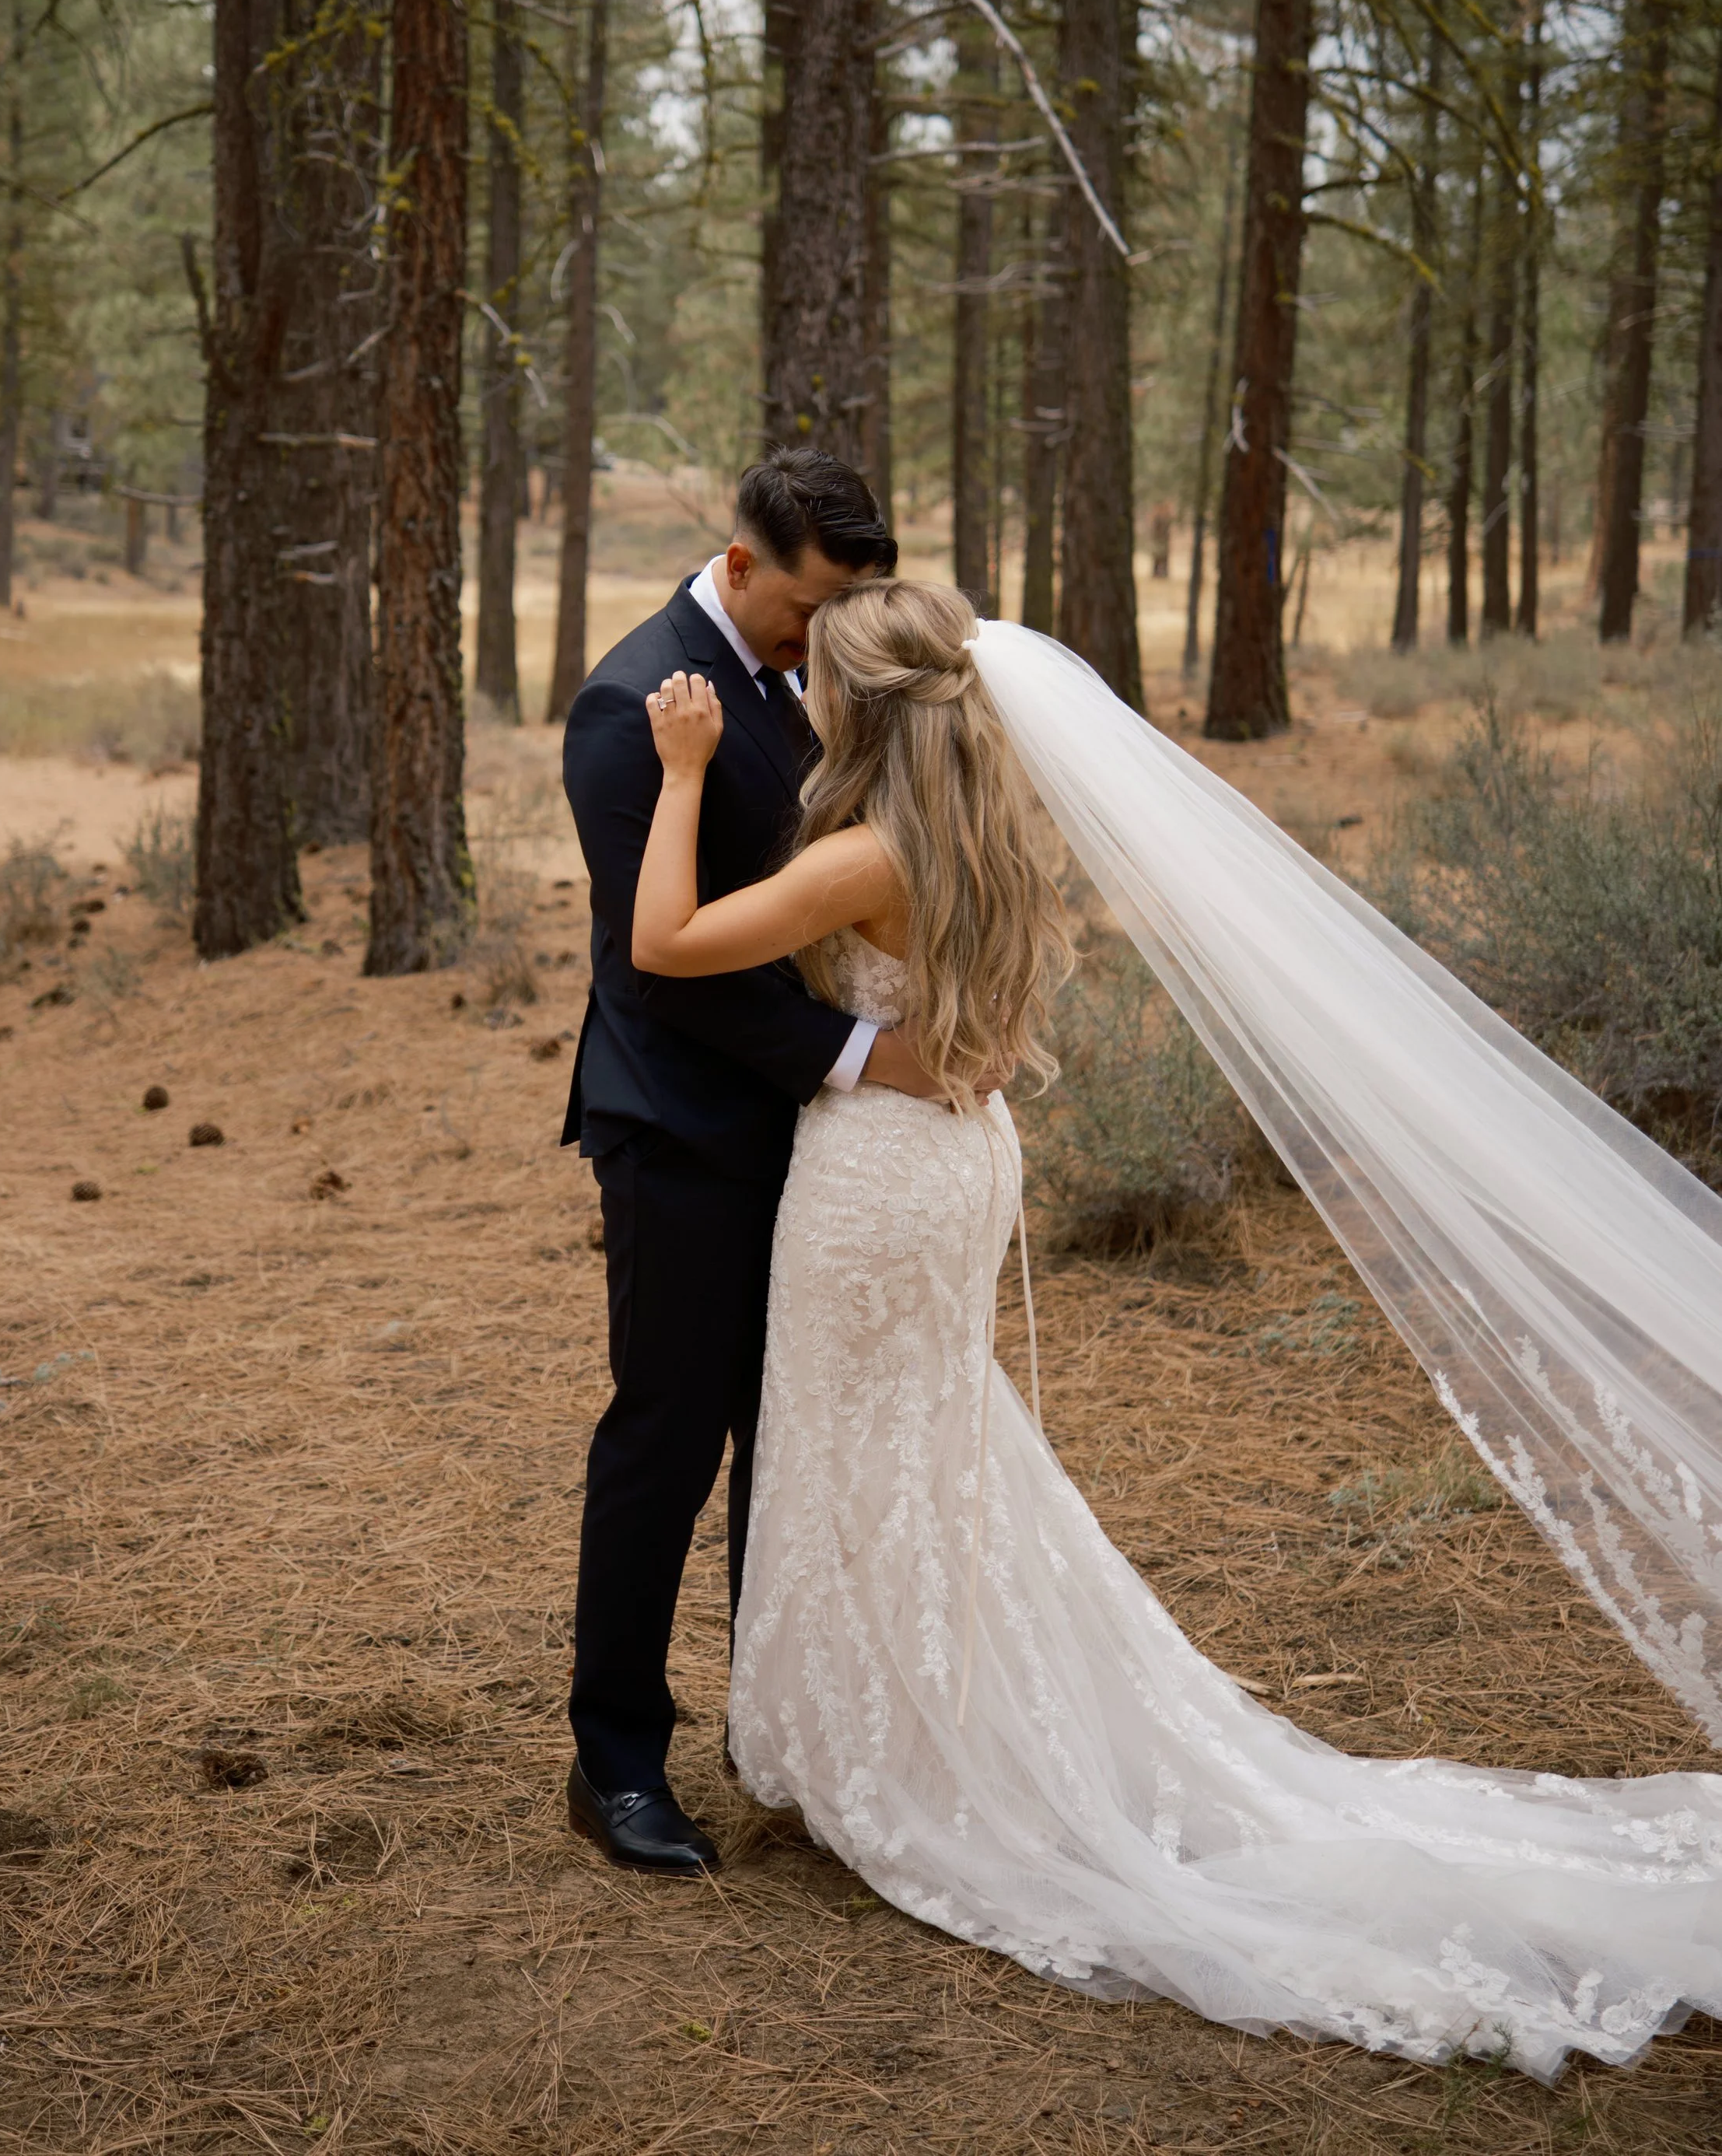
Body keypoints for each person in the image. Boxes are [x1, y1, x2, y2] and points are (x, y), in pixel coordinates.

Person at [628, 577, 1722, 2077]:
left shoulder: (864, 853)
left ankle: (911, 1751)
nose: (800, 699)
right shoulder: (984, 831)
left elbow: (665, 941)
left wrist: (683, 771)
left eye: (818, 680)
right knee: (926, 1440)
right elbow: (980, 1026)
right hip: (958, 1158)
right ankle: (911, 1720)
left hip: (879, 1182)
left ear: (858, 708)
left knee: (865, 1441)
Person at [560, 450, 971, 1877]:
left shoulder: (830, 672)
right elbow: (658, 970)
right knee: (668, 1439)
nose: (824, 641)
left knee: (791, 1441)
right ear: (740, 567)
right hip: (683, 1132)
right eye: (807, 609)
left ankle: (779, 1731)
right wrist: (862, 1056)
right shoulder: (631, 705)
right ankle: (616, 1759)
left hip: (823, 1145)